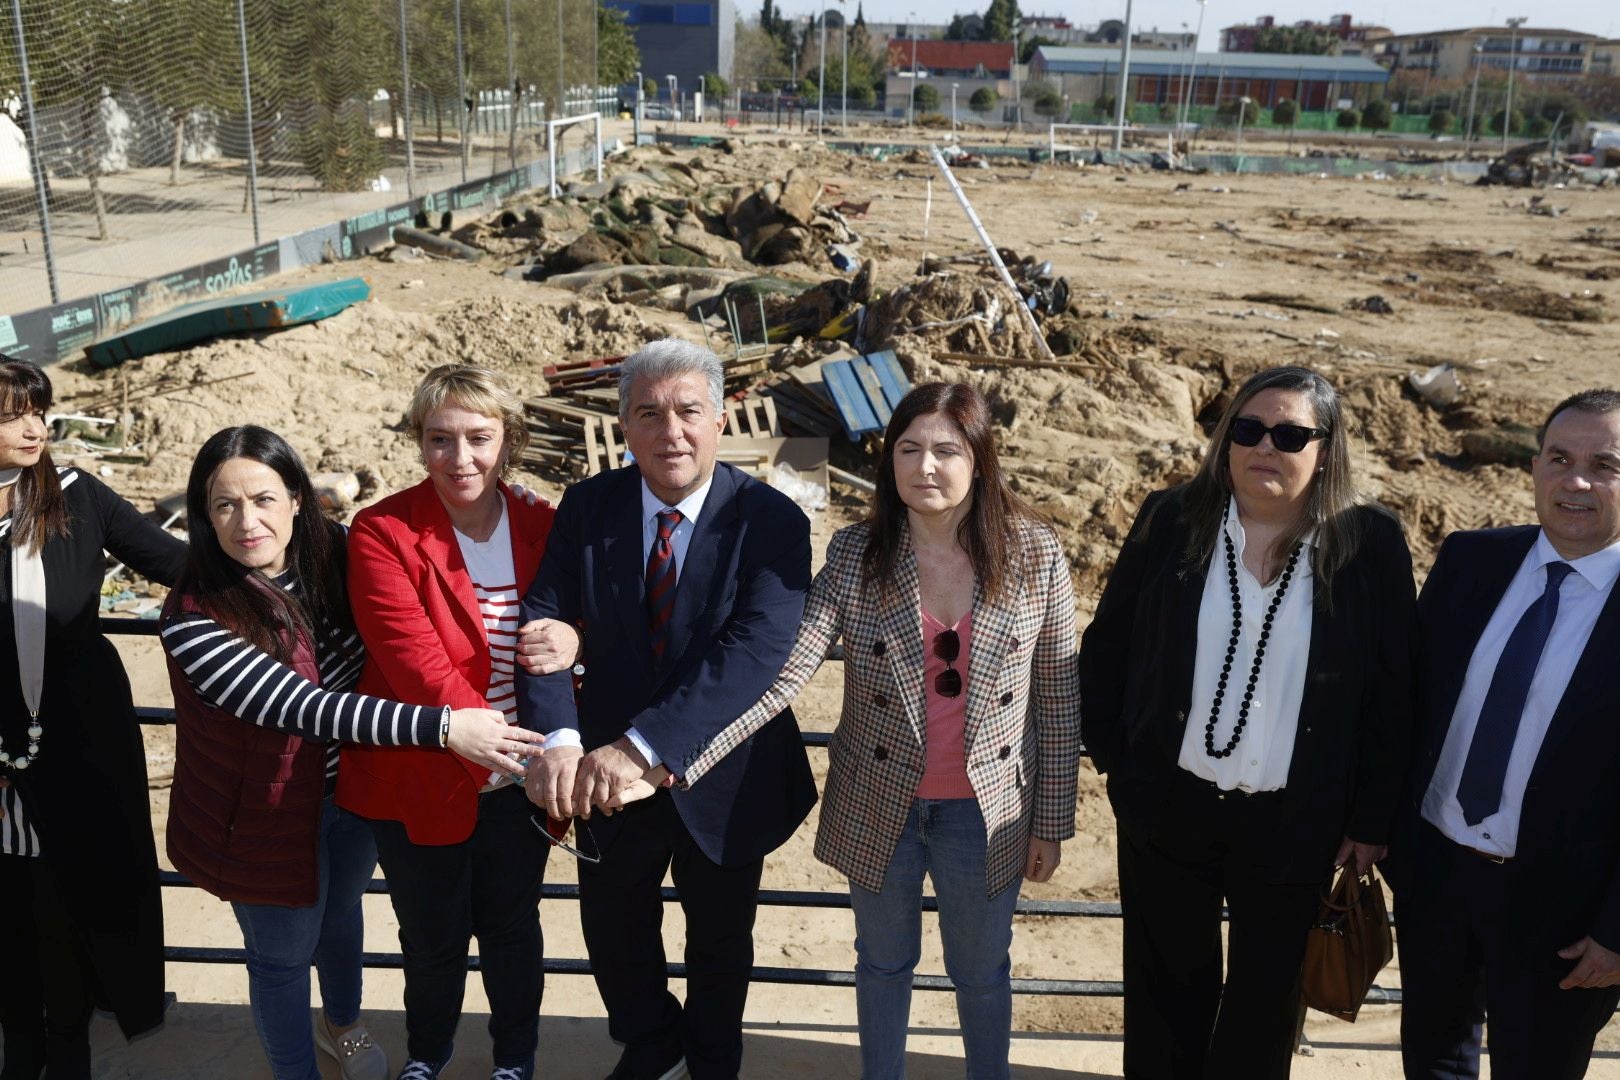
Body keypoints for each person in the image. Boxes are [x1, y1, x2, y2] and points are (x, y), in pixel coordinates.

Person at [673, 381, 1082, 1079]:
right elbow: (786, 673)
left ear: (980, 460)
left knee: (981, 969)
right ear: (888, 460)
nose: (926, 466)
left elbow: (1058, 699)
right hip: (880, 804)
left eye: (946, 450)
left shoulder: (1036, 554)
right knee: (882, 962)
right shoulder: (857, 553)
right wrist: (677, 751)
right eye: (909, 448)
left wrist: (1051, 821)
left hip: (987, 814)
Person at [159, 425, 544, 1080]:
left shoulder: (333, 552)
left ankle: (343, 1026)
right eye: (225, 505)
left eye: (263, 499)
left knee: (341, 920)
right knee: (282, 958)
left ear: (298, 500)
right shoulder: (196, 615)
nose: (247, 521)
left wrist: (506, 502)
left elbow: (412, 552)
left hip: (353, 794)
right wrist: (446, 728)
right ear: (203, 516)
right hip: (261, 813)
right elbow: (303, 707)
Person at [1078, 365, 1417, 1079]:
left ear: (1325, 450)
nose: (1267, 445)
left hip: (1297, 824)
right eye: (1250, 428)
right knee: (1164, 995)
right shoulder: (1171, 519)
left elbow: (1394, 692)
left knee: (1264, 1008)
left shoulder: (1370, 543)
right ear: (1226, 440)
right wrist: (1120, 763)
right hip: (1170, 808)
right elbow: (1107, 647)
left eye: (1291, 433)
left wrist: (1372, 819)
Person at [516, 339, 817, 1080]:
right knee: (613, 932)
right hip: (604, 783)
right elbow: (544, 625)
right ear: (623, 425)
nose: (670, 432)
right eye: (648, 413)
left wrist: (643, 746)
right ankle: (652, 1045)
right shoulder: (589, 507)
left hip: (724, 772)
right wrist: (558, 739)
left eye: (688, 412)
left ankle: (713, 1063)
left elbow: (754, 651)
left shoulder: (771, 520)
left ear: (721, 419)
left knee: (720, 941)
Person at [338, 364, 575, 1080]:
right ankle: (428, 1055)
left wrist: (576, 640)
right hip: (422, 769)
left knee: (511, 930)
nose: (460, 457)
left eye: (479, 437)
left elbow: (582, 618)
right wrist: (479, 738)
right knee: (431, 933)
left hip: (520, 775)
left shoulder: (545, 525)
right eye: (440, 438)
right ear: (418, 442)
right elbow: (412, 659)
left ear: (509, 441)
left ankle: (514, 1061)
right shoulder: (382, 531)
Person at [1392, 388, 1620, 1079]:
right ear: (1533, 467)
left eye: (1605, 465)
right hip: (1434, 876)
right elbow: (1407, 709)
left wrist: (1617, 929)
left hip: (1566, 918)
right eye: (1559, 458)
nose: (1574, 481)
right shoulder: (1470, 561)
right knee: (1432, 1064)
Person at [0, 358, 187, 1079]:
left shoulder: (74, 494)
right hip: (6, 752)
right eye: (14, 413)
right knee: (10, 901)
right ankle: (19, 1041)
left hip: (80, 740)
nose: (34, 427)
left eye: (39, 410)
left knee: (65, 897)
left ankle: (68, 1040)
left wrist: (289, 568)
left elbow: (177, 563)